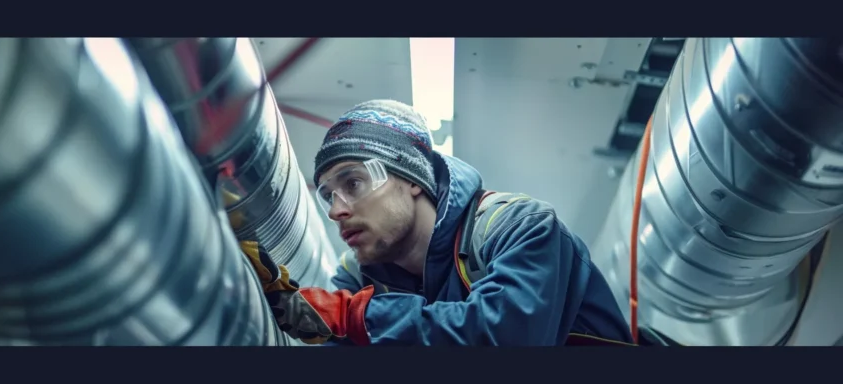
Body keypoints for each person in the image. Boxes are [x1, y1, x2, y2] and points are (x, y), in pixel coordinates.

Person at [241, 99, 635, 346]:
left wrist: (354, 317)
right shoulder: (358, 278)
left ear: (412, 179)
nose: (336, 209)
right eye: (328, 194)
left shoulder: (517, 227)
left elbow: (506, 337)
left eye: (354, 182)